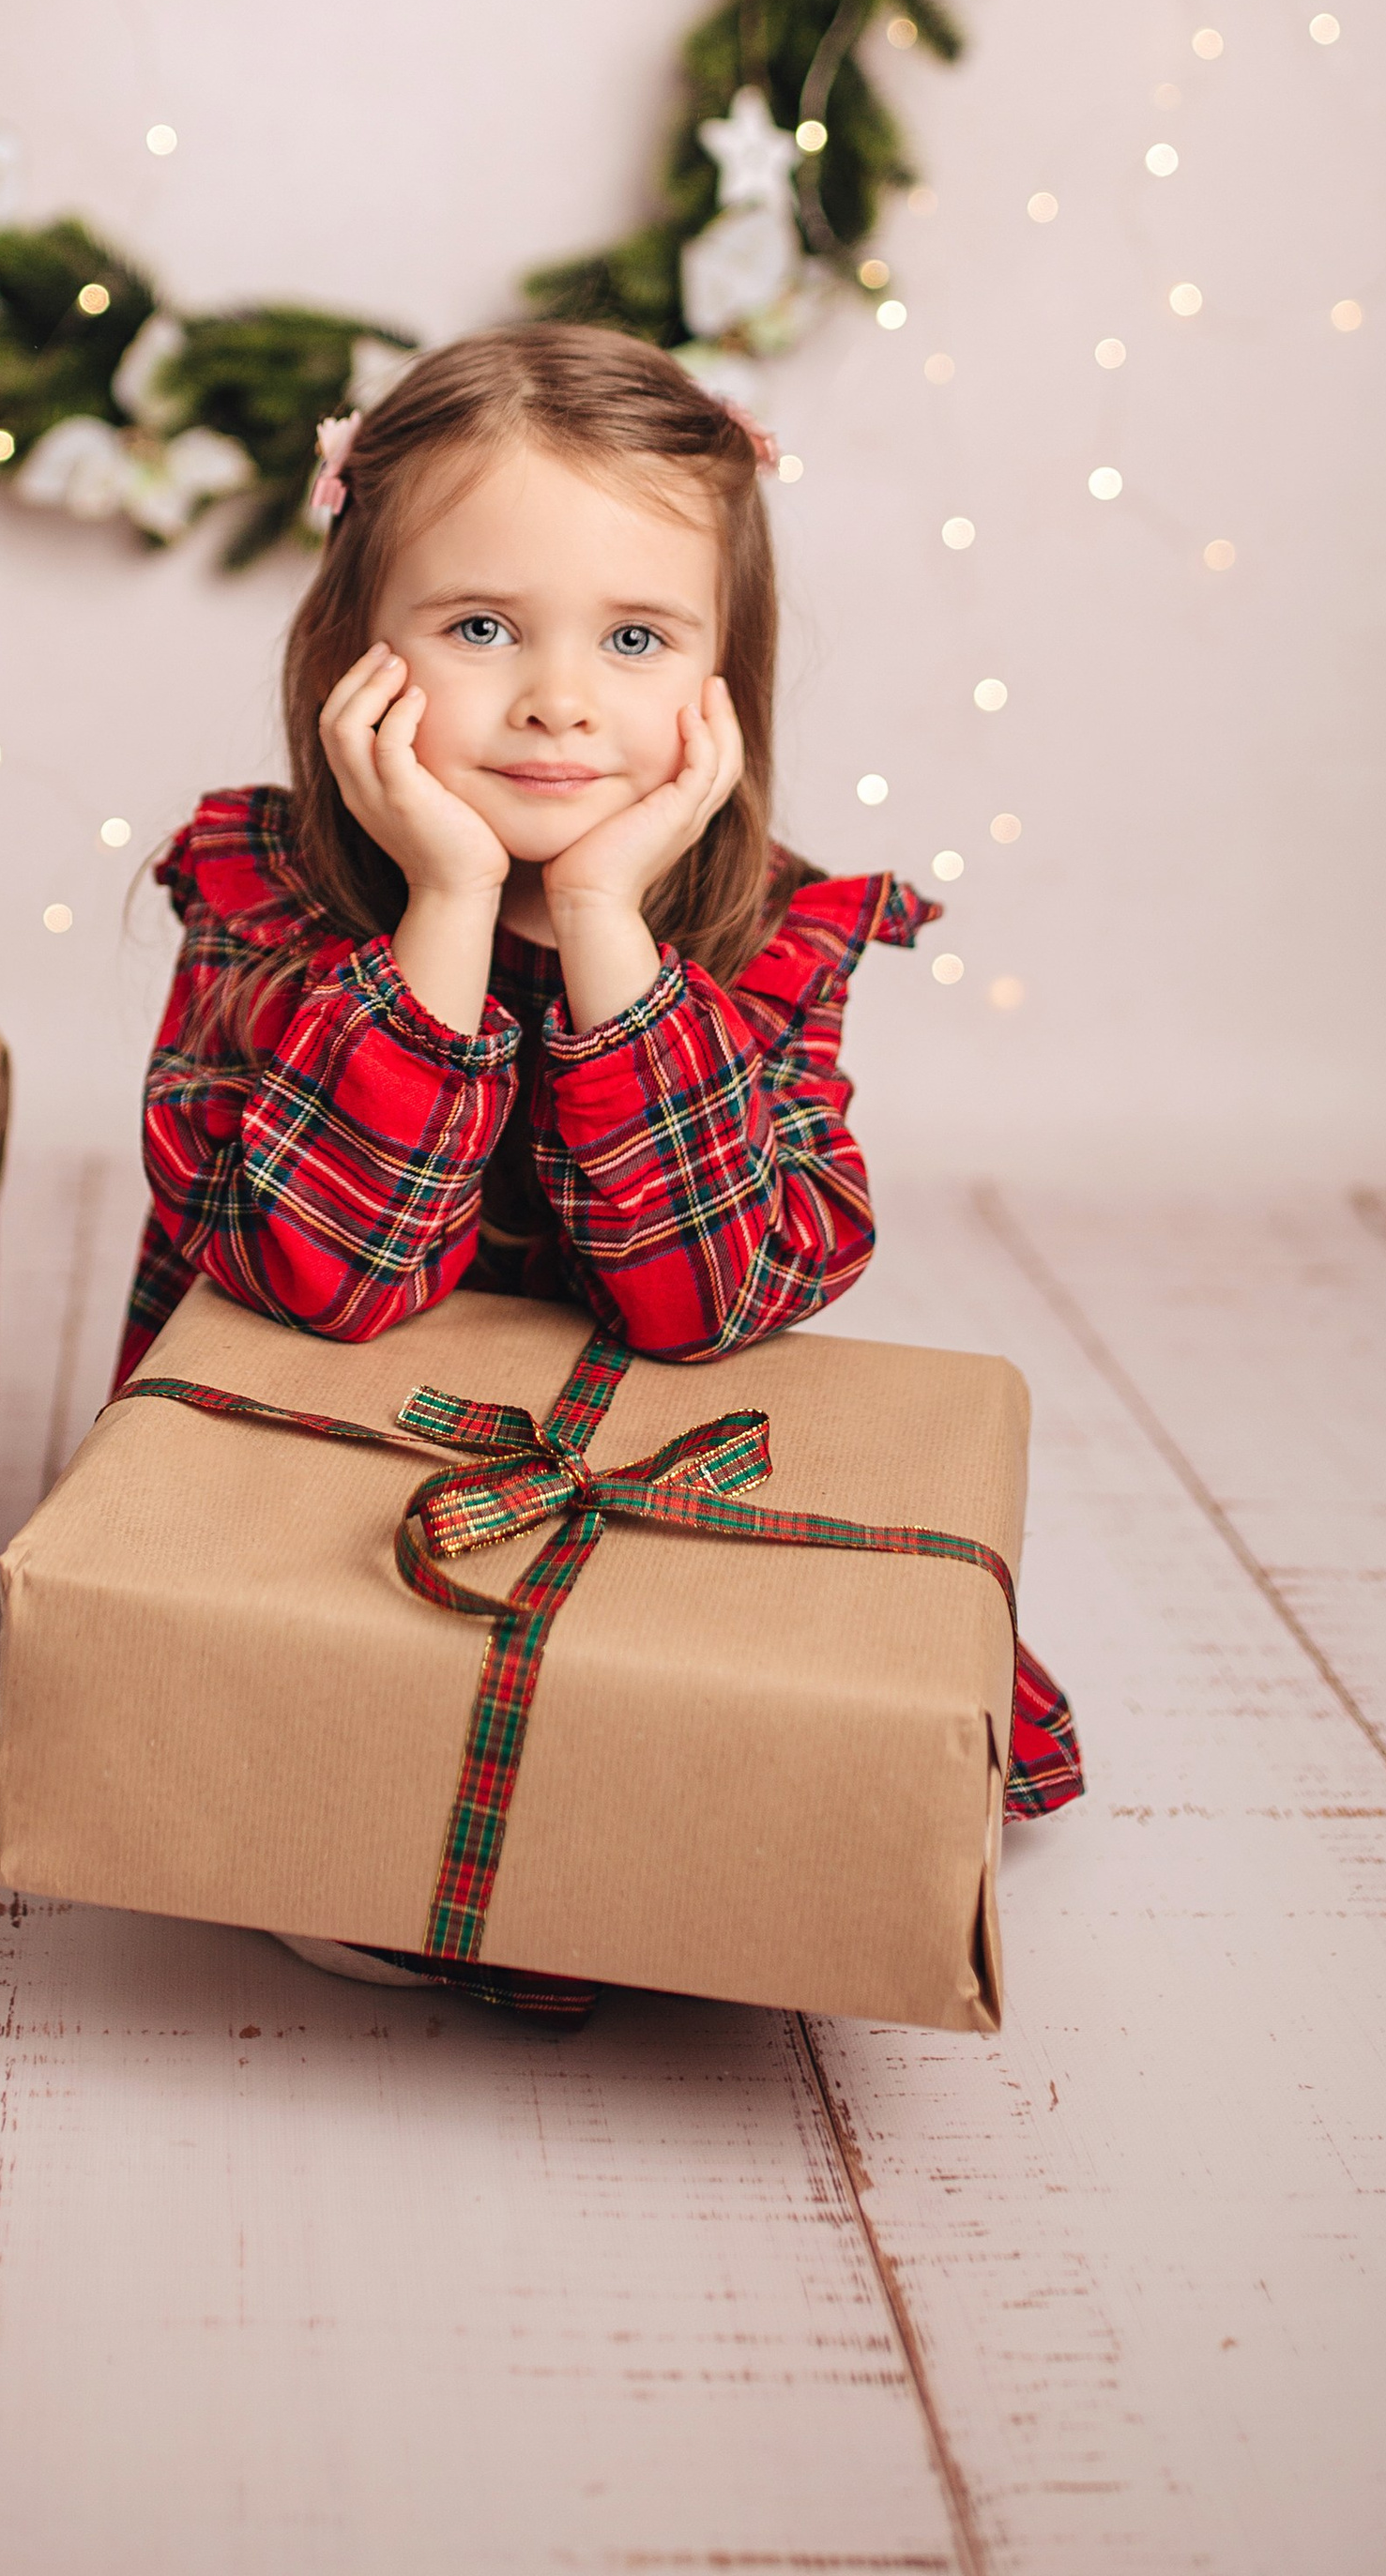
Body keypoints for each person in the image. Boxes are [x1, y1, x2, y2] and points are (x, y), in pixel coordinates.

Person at [117, 323, 1080, 1998]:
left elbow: (713, 1297)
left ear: (723, 678)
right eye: (482, 626)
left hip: (618, 1493)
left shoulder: (770, 942)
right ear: (358, 650)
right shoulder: (264, 898)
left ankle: (629, 1801)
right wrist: (443, 906)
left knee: (747, 1745)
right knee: (297, 1696)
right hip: (313, 1489)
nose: (560, 697)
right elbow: (314, 1285)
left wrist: (602, 924)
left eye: (634, 636)